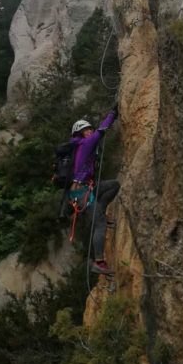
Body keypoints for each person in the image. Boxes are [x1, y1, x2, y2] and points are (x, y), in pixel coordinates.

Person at [68, 107, 120, 275]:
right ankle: (98, 262)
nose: (90, 131)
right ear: (81, 133)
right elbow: (101, 130)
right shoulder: (85, 143)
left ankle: (101, 211)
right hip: (81, 193)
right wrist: (113, 113)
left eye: (90, 129)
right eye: (87, 129)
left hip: (86, 189)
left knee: (114, 185)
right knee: (100, 224)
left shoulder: (83, 145)